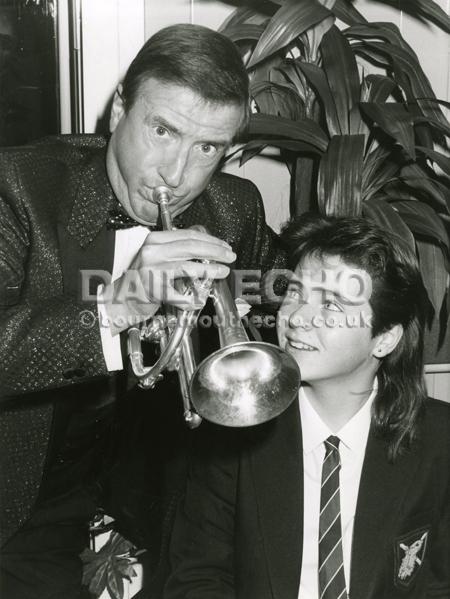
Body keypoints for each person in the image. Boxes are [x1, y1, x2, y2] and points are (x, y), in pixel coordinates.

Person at [0, 24, 286, 599]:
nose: (176, 176)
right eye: (162, 130)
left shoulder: (235, 207)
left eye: (207, 149)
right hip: (24, 502)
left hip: (161, 503)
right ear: (117, 110)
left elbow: (286, 307)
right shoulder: (17, 186)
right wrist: (116, 308)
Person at [165, 213, 450, 599]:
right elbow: (197, 578)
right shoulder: (234, 428)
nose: (297, 318)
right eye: (295, 293)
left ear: (384, 339)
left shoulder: (439, 439)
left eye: (331, 305)